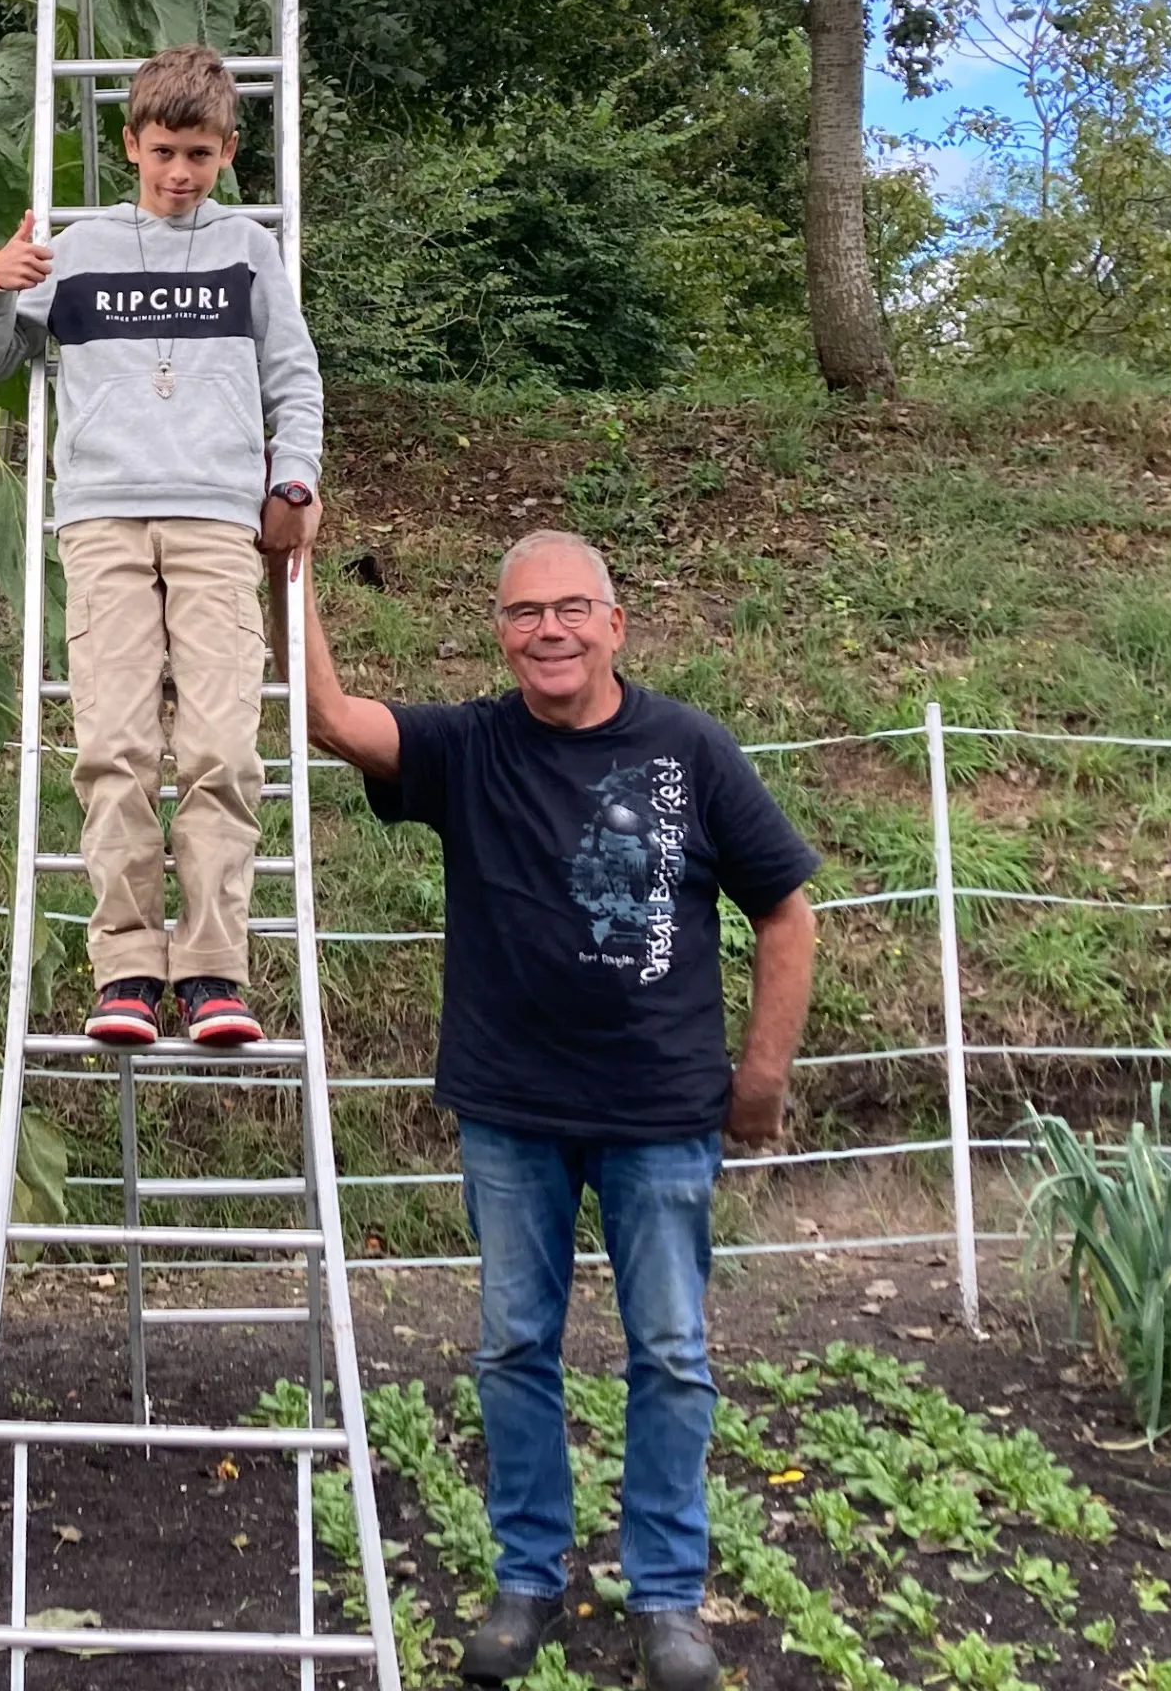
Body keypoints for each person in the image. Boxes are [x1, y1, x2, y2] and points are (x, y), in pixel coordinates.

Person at [291, 526, 817, 1689]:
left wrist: (764, 1075)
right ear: (502, 632)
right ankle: (528, 1578)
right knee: (512, 1345)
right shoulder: (470, 747)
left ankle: (670, 1596)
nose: (550, 631)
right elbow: (332, 717)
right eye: (526, 613)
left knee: (672, 1354)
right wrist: (294, 557)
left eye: (573, 608)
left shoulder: (689, 749)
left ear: (615, 623)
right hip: (513, 1110)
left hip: (663, 1112)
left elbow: (785, 912)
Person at [0, 43, 324, 1049]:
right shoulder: (76, 250)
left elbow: (294, 376)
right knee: (113, 745)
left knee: (220, 745)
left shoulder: (250, 249)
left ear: (227, 151)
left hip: (216, 519)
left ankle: (211, 971)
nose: (180, 172)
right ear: (130, 144)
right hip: (102, 520)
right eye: (163, 150)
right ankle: (126, 965)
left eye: (200, 153)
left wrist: (293, 475)